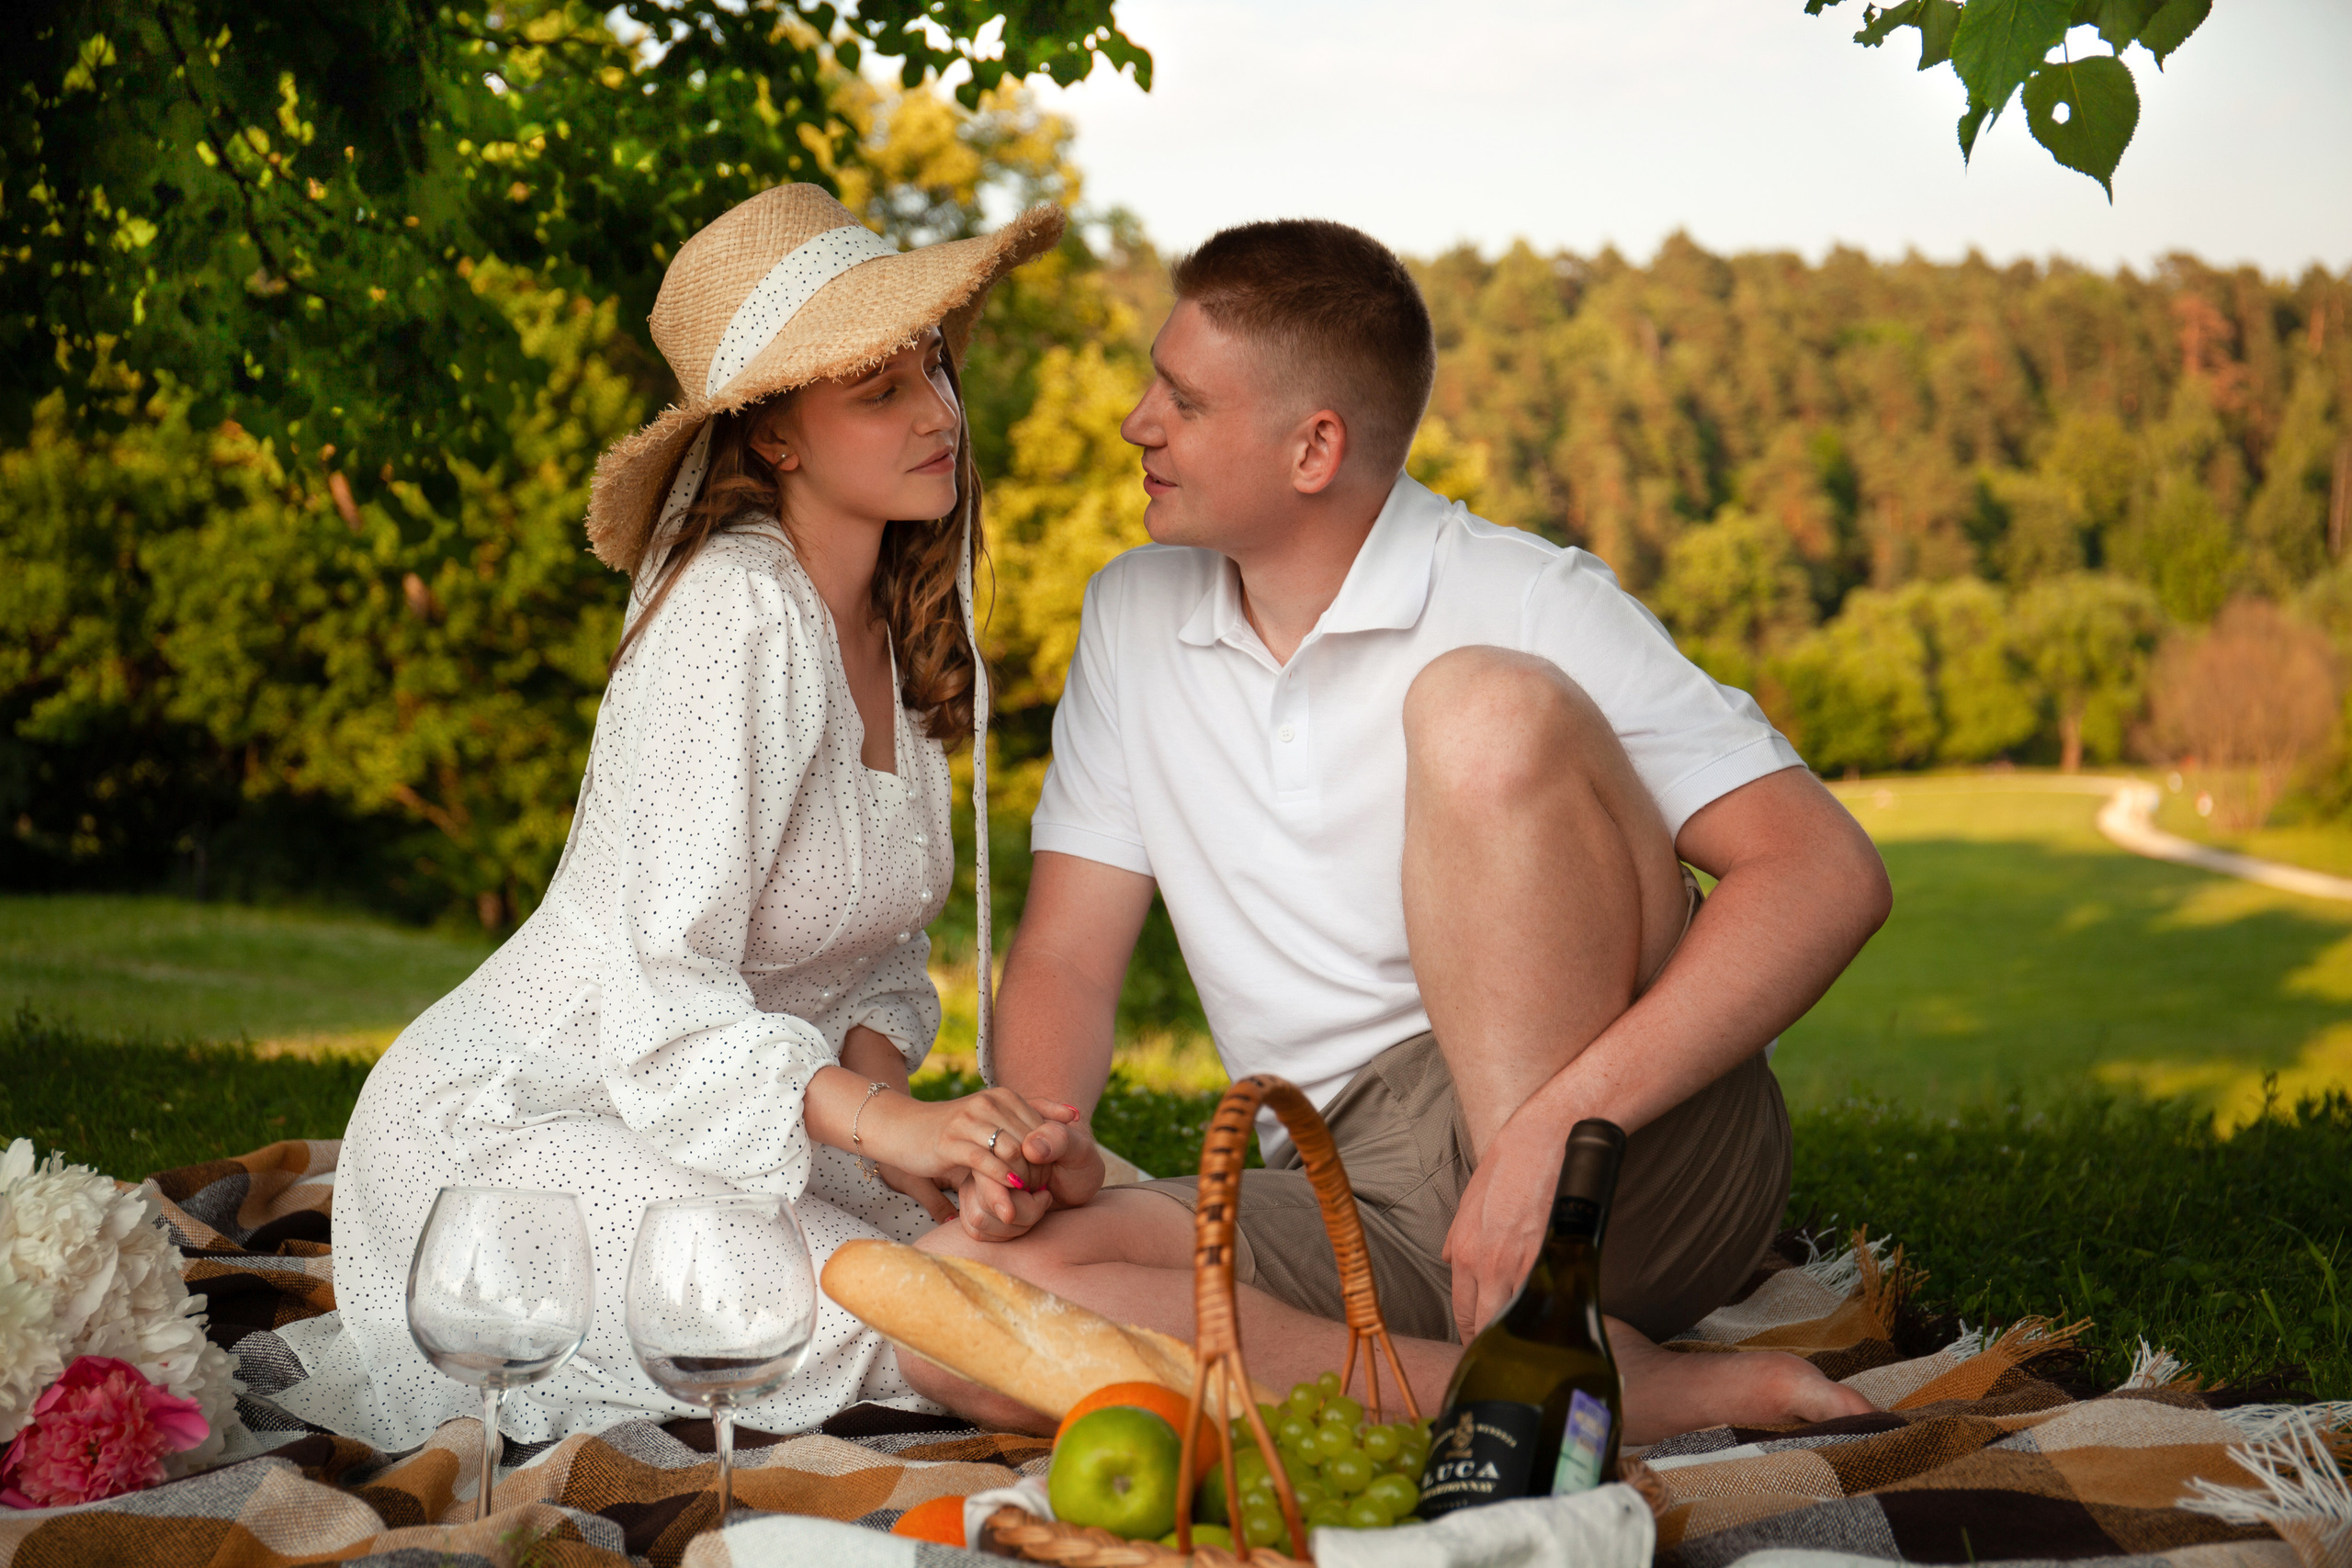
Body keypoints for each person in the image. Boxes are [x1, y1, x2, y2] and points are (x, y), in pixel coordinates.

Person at [904, 220, 1893, 1445]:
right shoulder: (1131, 616)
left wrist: (1543, 1140)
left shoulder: (1528, 596)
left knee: (1481, 707)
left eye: (1184, 398)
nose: (1136, 422)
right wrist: (1036, 1141)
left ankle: (1545, 1305)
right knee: (955, 1302)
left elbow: (1825, 872)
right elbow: (1065, 955)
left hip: (1621, 1154)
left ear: (1316, 446)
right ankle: (1625, 1393)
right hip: (1350, 1183)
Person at [282, 185, 1076, 1450]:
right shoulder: (732, 618)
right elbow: (663, 996)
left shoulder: (898, 622)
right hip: (517, 1132)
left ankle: (1415, 1407)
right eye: (880, 390)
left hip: (723, 1122)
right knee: (943, 1327)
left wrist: (902, 1146)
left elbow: (872, 958)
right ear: (775, 441)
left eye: (933, 366)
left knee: (1057, 1244)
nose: (941, 411)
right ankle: (1316, 1450)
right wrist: (887, 1128)